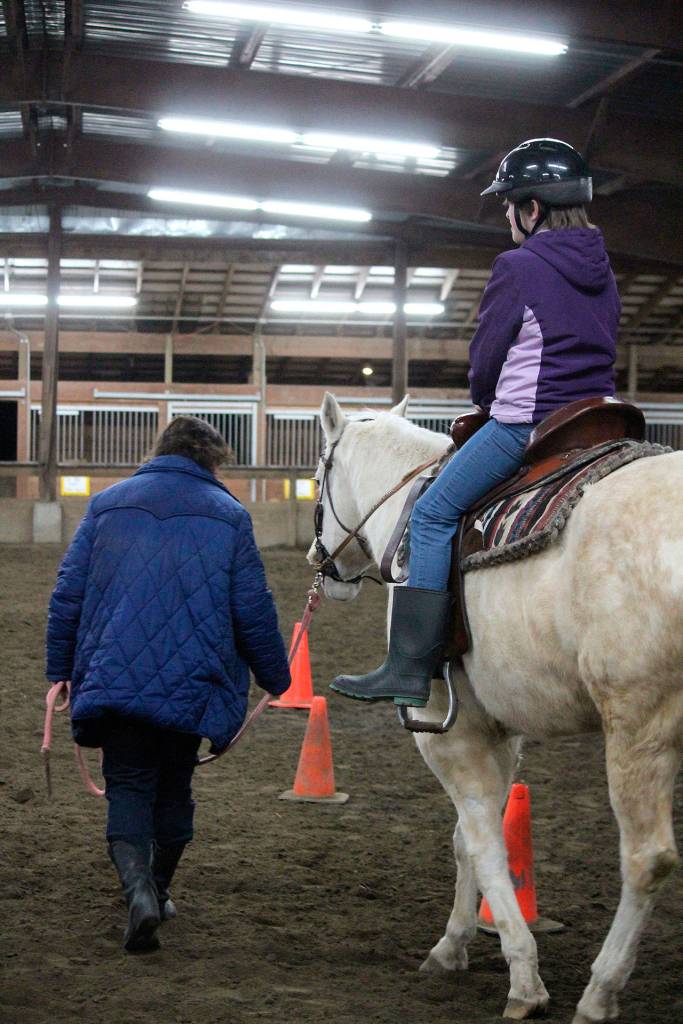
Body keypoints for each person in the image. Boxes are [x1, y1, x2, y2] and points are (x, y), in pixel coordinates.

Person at [331, 138, 620, 709]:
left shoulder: (517, 265)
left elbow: (488, 357)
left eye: (509, 203)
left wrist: (486, 400)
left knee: (434, 510)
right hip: (597, 422)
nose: (507, 215)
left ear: (531, 209)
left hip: (528, 424)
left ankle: (409, 666)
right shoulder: (603, 268)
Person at [46, 416, 291, 953]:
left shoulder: (107, 504)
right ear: (211, 459)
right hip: (192, 683)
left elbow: (68, 594)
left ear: (161, 450)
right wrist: (277, 676)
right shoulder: (230, 516)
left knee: (129, 784)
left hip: (114, 674)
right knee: (174, 787)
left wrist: (58, 672)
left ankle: (137, 891)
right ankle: (157, 889)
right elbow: (251, 608)